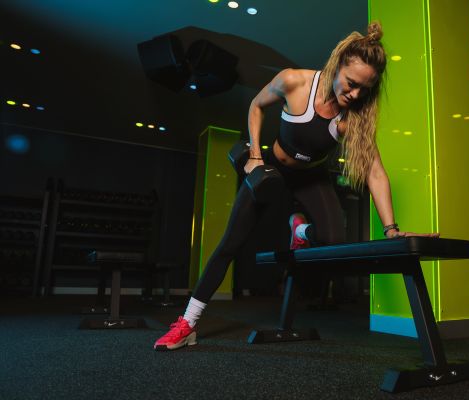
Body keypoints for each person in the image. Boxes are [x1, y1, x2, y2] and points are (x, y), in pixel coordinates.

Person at [153, 21, 437, 351]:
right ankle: (188, 323)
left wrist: (391, 229)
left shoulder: (353, 119)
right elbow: (256, 106)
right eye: (351, 83)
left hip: (311, 177)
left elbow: (375, 172)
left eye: (365, 89)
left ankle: (300, 232)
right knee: (230, 243)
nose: (355, 94)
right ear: (338, 64)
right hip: (272, 168)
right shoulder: (294, 81)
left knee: (333, 240)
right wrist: (256, 156)